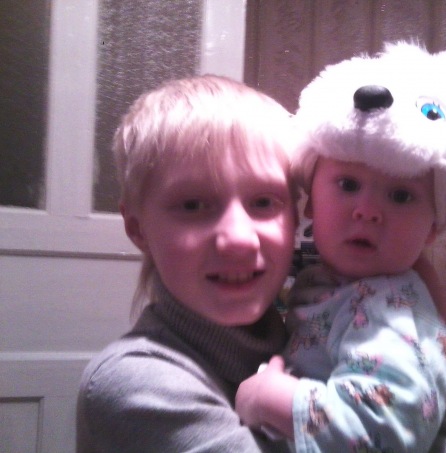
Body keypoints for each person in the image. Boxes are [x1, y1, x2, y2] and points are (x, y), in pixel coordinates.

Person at [235, 42, 446, 452]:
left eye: (401, 195)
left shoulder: (385, 311)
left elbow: (381, 431)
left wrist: (269, 399)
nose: (368, 211)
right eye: (348, 184)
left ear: (433, 227)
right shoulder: (334, 285)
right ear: (310, 200)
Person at [76, 75, 298, 452]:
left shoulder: (315, 338)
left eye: (263, 202)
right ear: (138, 228)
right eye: (193, 205)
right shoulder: (135, 384)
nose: (239, 239)